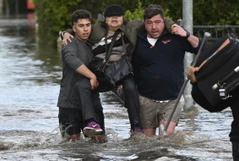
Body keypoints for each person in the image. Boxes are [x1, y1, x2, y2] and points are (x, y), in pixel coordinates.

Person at [62, 4, 176, 135]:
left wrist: (173, 25)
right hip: (100, 70)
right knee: (82, 84)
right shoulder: (95, 29)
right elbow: (79, 29)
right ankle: (90, 122)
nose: (114, 18)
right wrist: (65, 34)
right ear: (105, 19)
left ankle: (136, 126)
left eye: (118, 16)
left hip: (121, 70)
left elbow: (157, 20)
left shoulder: (132, 26)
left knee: (130, 87)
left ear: (123, 18)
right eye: (111, 16)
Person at [132, 4, 201, 137]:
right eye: (149, 23)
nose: (154, 27)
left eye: (158, 22)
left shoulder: (175, 37)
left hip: (172, 99)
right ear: (144, 24)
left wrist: (185, 34)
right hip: (146, 99)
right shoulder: (137, 40)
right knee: (148, 142)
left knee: (166, 135)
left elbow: (199, 46)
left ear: (164, 22)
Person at [57, 9, 104, 142]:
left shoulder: (93, 42)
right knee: (72, 143)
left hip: (92, 99)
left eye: (88, 25)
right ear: (74, 28)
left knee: (100, 140)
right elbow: (71, 59)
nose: (85, 29)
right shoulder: (69, 42)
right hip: (69, 102)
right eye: (81, 26)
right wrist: (92, 76)